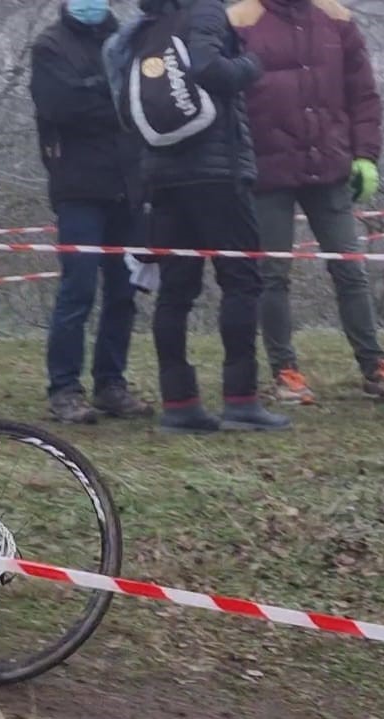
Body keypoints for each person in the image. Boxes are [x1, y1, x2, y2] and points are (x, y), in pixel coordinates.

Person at [108, 0, 290, 433]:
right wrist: (251, 64)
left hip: (162, 177)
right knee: (241, 279)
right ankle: (241, 400)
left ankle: (180, 404)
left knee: (176, 289)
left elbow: (123, 108)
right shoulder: (205, 12)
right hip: (216, 175)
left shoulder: (142, 29)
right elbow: (212, 71)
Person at [229, 0, 384, 404]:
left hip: (329, 166)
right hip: (267, 173)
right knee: (272, 275)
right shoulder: (239, 20)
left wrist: (366, 155)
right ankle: (285, 372)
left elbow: (363, 93)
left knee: (351, 270)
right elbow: (227, 101)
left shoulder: (336, 18)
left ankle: (374, 367)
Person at [30, 0, 154, 424]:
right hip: (77, 189)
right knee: (77, 290)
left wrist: (93, 89)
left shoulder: (128, 40)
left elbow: (142, 101)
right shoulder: (49, 45)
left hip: (128, 186)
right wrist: (109, 92)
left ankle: (111, 384)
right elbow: (60, 107)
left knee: (124, 293)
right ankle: (64, 388)